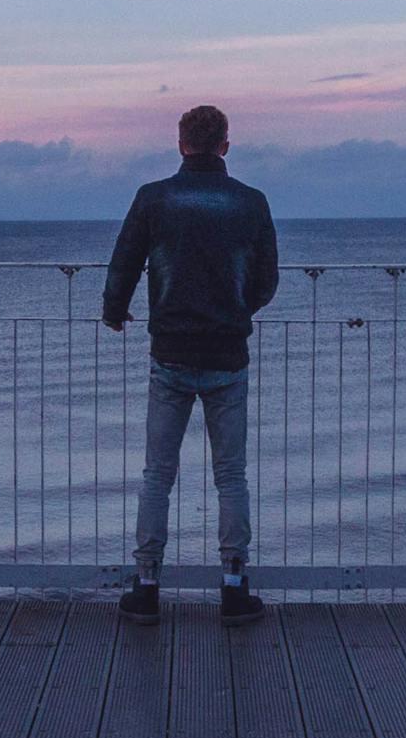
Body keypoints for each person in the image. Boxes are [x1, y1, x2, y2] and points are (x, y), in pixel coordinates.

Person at [101, 103, 278, 624]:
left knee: (158, 474)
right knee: (231, 476)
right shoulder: (251, 203)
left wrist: (115, 312)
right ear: (226, 143)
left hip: (171, 354)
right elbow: (267, 279)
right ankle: (232, 585)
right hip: (228, 354)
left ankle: (148, 585)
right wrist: (237, 311)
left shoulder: (154, 198)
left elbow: (125, 264)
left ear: (181, 144)